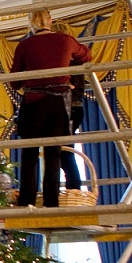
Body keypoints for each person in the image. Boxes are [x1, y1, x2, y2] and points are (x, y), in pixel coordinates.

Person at [8, 9, 90, 207]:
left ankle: (26, 200)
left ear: (31, 24)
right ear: (50, 21)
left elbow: (14, 81)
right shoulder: (66, 40)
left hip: (33, 102)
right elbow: (86, 55)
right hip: (57, 103)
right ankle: (51, 202)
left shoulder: (25, 45)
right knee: (53, 154)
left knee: (29, 155)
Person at [52, 19, 87, 194]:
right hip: (66, 109)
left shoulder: (72, 62)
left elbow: (77, 89)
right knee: (61, 153)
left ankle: (74, 191)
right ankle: (72, 190)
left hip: (70, 109)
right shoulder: (72, 61)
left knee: (65, 153)